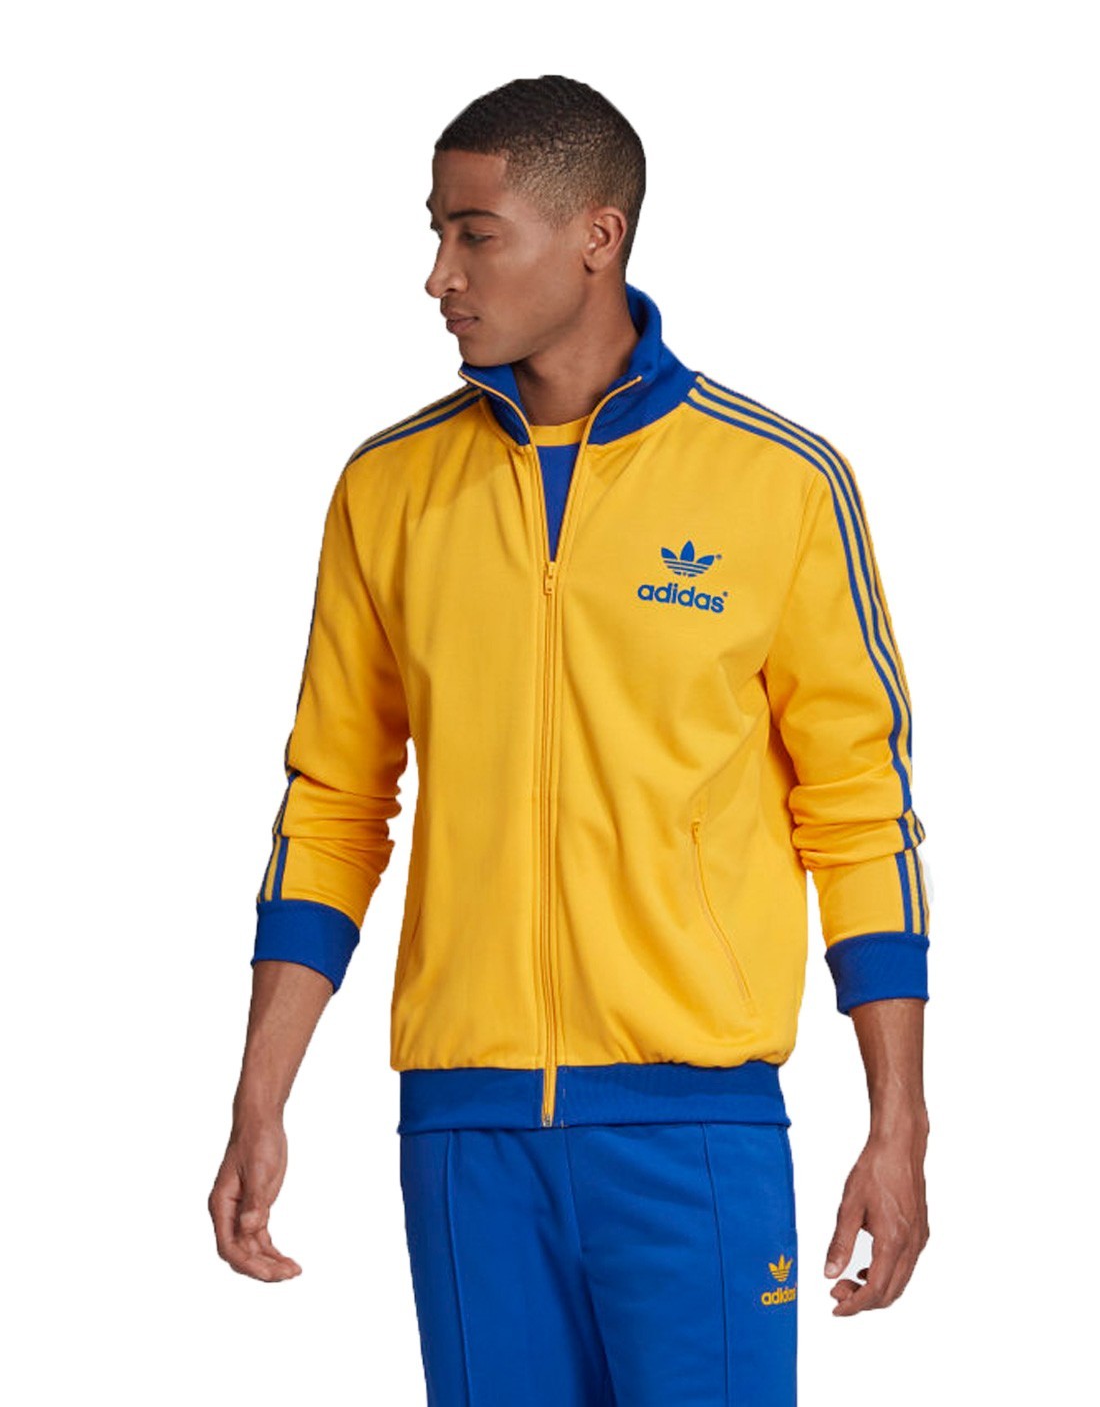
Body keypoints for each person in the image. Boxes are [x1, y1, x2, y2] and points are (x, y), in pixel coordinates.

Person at [209, 74, 931, 1406]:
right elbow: (333, 803)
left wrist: (900, 1120)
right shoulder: (389, 490)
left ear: (599, 234)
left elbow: (858, 809)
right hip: (466, 1132)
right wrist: (262, 1096)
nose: (440, 275)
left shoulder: (777, 482)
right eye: (438, 233)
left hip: (693, 1128)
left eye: (475, 234)